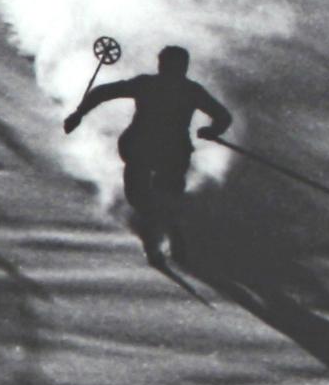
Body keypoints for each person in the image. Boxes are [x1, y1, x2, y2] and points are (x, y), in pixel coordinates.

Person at [64, 45, 230, 266]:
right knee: (165, 195)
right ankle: (168, 230)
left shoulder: (148, 84)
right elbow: (222, 116)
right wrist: (212, 130)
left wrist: (79, 113)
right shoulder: (190, 90)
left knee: (141, 195)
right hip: (172, 151)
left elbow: (103, 92)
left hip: (143, 147)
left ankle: (156, 241)